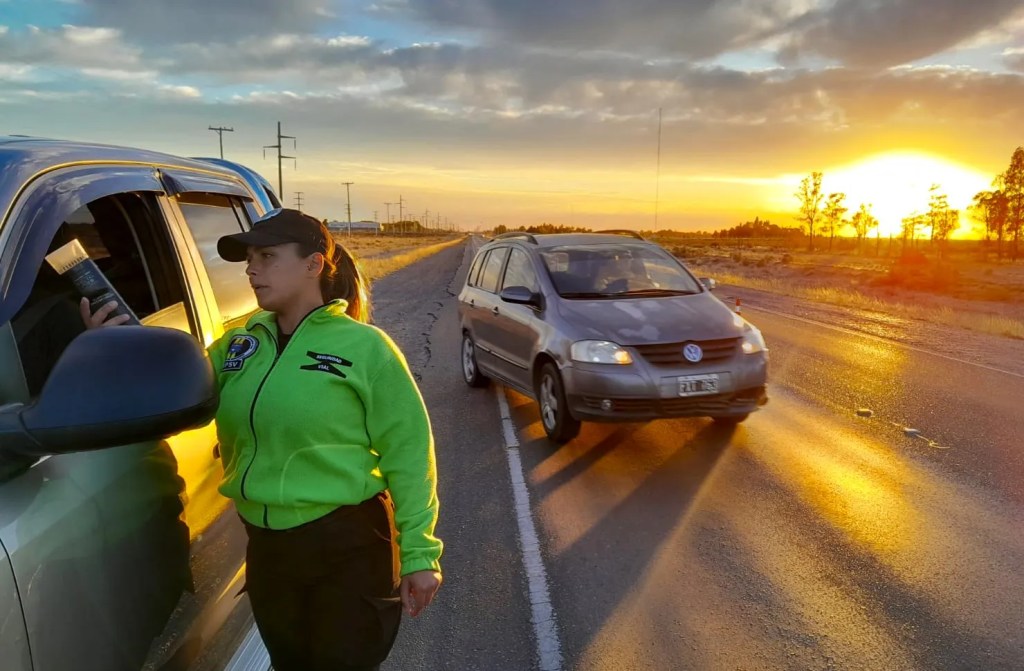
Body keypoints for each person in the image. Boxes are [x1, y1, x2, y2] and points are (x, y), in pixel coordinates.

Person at [83, 208, 443, 671]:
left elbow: (410, 453)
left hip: (348, 544)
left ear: (314, 264)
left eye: (268, 256)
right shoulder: (237, 347)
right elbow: (171, 394)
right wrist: (111, 352)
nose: (252, 269)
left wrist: (420, 553)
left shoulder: (365, 348)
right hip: (269, 550)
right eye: (249, 258)